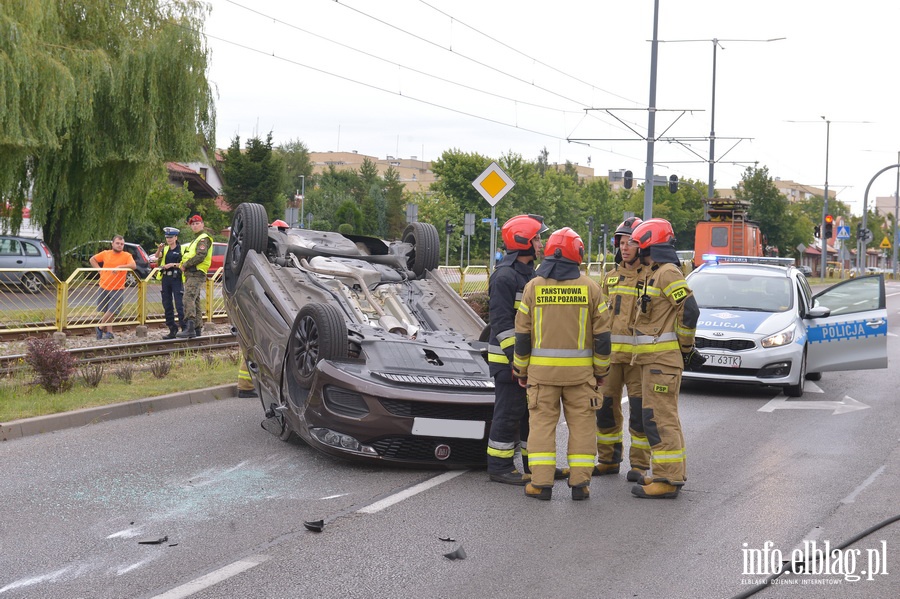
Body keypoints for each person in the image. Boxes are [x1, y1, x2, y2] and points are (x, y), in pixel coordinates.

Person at [513, 227, 611, 501]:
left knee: (542, 427)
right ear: (577, 253)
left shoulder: (533, 287)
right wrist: (601, 371)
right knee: (582, 427)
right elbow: (603, 337)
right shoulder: (590, 287)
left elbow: (522, 335)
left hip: (542, 376)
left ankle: (541, 484)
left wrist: (521, 370)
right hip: (581, 377)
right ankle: (580, 485)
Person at [626, 218, 703, 499]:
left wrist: (686, 347)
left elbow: (690, 310)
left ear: (648, 243)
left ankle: (667, 480)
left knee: (660, 420)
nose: (631, 247)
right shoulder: (655, 272)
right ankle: (667, 472)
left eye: (635, 242)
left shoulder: (668, 273)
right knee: (656, 418)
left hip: (662, 362)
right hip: (653, 362)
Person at [486, 214, 548, 485]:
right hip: (508, 362)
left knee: (528, 417)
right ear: (523, 240)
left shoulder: (529, 274)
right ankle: (499, 467)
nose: (540, 243)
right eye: (536, 238)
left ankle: (533, 466)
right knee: (508, 414)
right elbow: (501, 322)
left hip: (526, 361)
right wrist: (516, 359)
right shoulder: (504, 276)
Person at [593, 217, 652, 482]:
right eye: (621, 242)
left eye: (630, 242)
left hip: (639, 361)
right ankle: (608, 459)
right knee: (604, 409)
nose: (625, 247)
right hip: (611, 360)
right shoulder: (610, 278)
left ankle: (639, 465)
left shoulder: (652, 277)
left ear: (642, 246)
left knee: (639, 414)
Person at [89, 235, 136, 340]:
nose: (120, 246)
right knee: (106, 310)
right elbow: (92, 259)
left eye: (122, 244)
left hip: (117, 287)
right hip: (104, 285)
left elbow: (133, 265)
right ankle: (109, 332)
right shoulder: (106, 253)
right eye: (118, 243)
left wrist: (120, 267)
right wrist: (99, 270)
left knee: (113, 309)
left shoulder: (126, 255)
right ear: (112, 243)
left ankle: (100, 327)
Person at [177, 214, 213, 339]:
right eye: (193, 224)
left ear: (202, 224)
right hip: (192, 272)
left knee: (188, 297)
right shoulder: (196, 239)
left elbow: (200, 256)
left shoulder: (203, 239)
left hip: (196, 271)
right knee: (195, 299)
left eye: (197, 223)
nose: (195, 226)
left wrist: (185, 265)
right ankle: (197, 328)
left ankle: (190, 327)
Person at [155, 227, 185, 339]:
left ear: (176, 237)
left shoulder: (181, 249)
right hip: (166, 278)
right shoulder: (166, 249)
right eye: (167, 237)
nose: (169, 239)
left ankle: (184, 327)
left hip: (176, 277)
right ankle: (172, 328)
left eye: (171, 237)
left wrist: (172, 264)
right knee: (167, 304)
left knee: (179, 304)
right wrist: (159, 249)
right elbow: (156, 257)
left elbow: (184, 263)